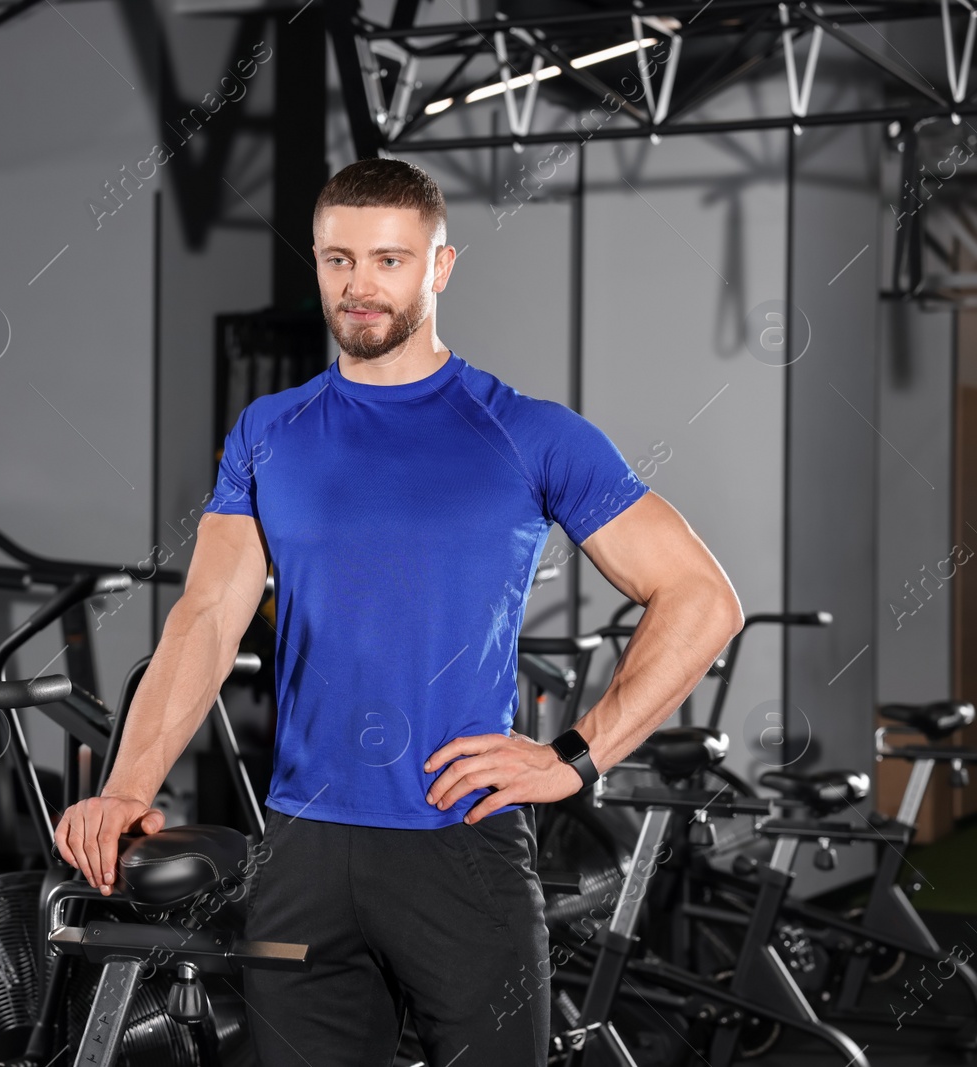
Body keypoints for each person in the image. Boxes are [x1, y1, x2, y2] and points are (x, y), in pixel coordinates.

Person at [54, 158, 743, 1065]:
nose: (360, 285)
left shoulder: (527, 431)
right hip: (302, 842)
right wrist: (129, 785)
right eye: (338, 259)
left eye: (388, 259)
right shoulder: (271, 430)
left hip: (458, 844)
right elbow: (208, 616)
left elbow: (701, 598)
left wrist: (576, 757)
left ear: (439, 267)